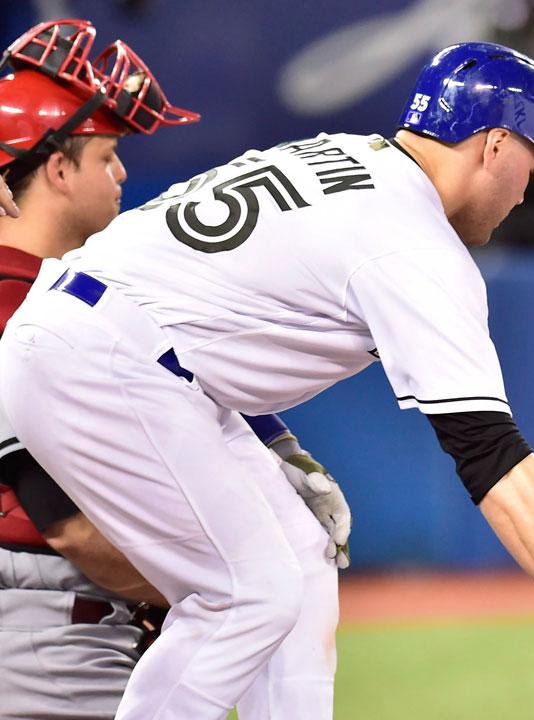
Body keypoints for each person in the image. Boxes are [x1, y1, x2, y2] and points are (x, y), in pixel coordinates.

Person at [0, 39, 534, 720]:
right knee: (250, 592)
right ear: (495, 146)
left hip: (93, 338)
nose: (523, 191)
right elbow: (489, 454)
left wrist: (273, 441)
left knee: (301, 553)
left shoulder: (341, 156)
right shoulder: (412, 240)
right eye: (533, 166)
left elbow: (192, 317)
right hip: (100, 360)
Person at [0, 18, 350, 720]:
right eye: (105, 156)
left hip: (78, 621)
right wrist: (226, 586)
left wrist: (275, 448)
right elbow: (65, 524)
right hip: (47, 631)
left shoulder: (81, 296)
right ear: (58, 170)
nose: (123, 174)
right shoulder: (17, 307)